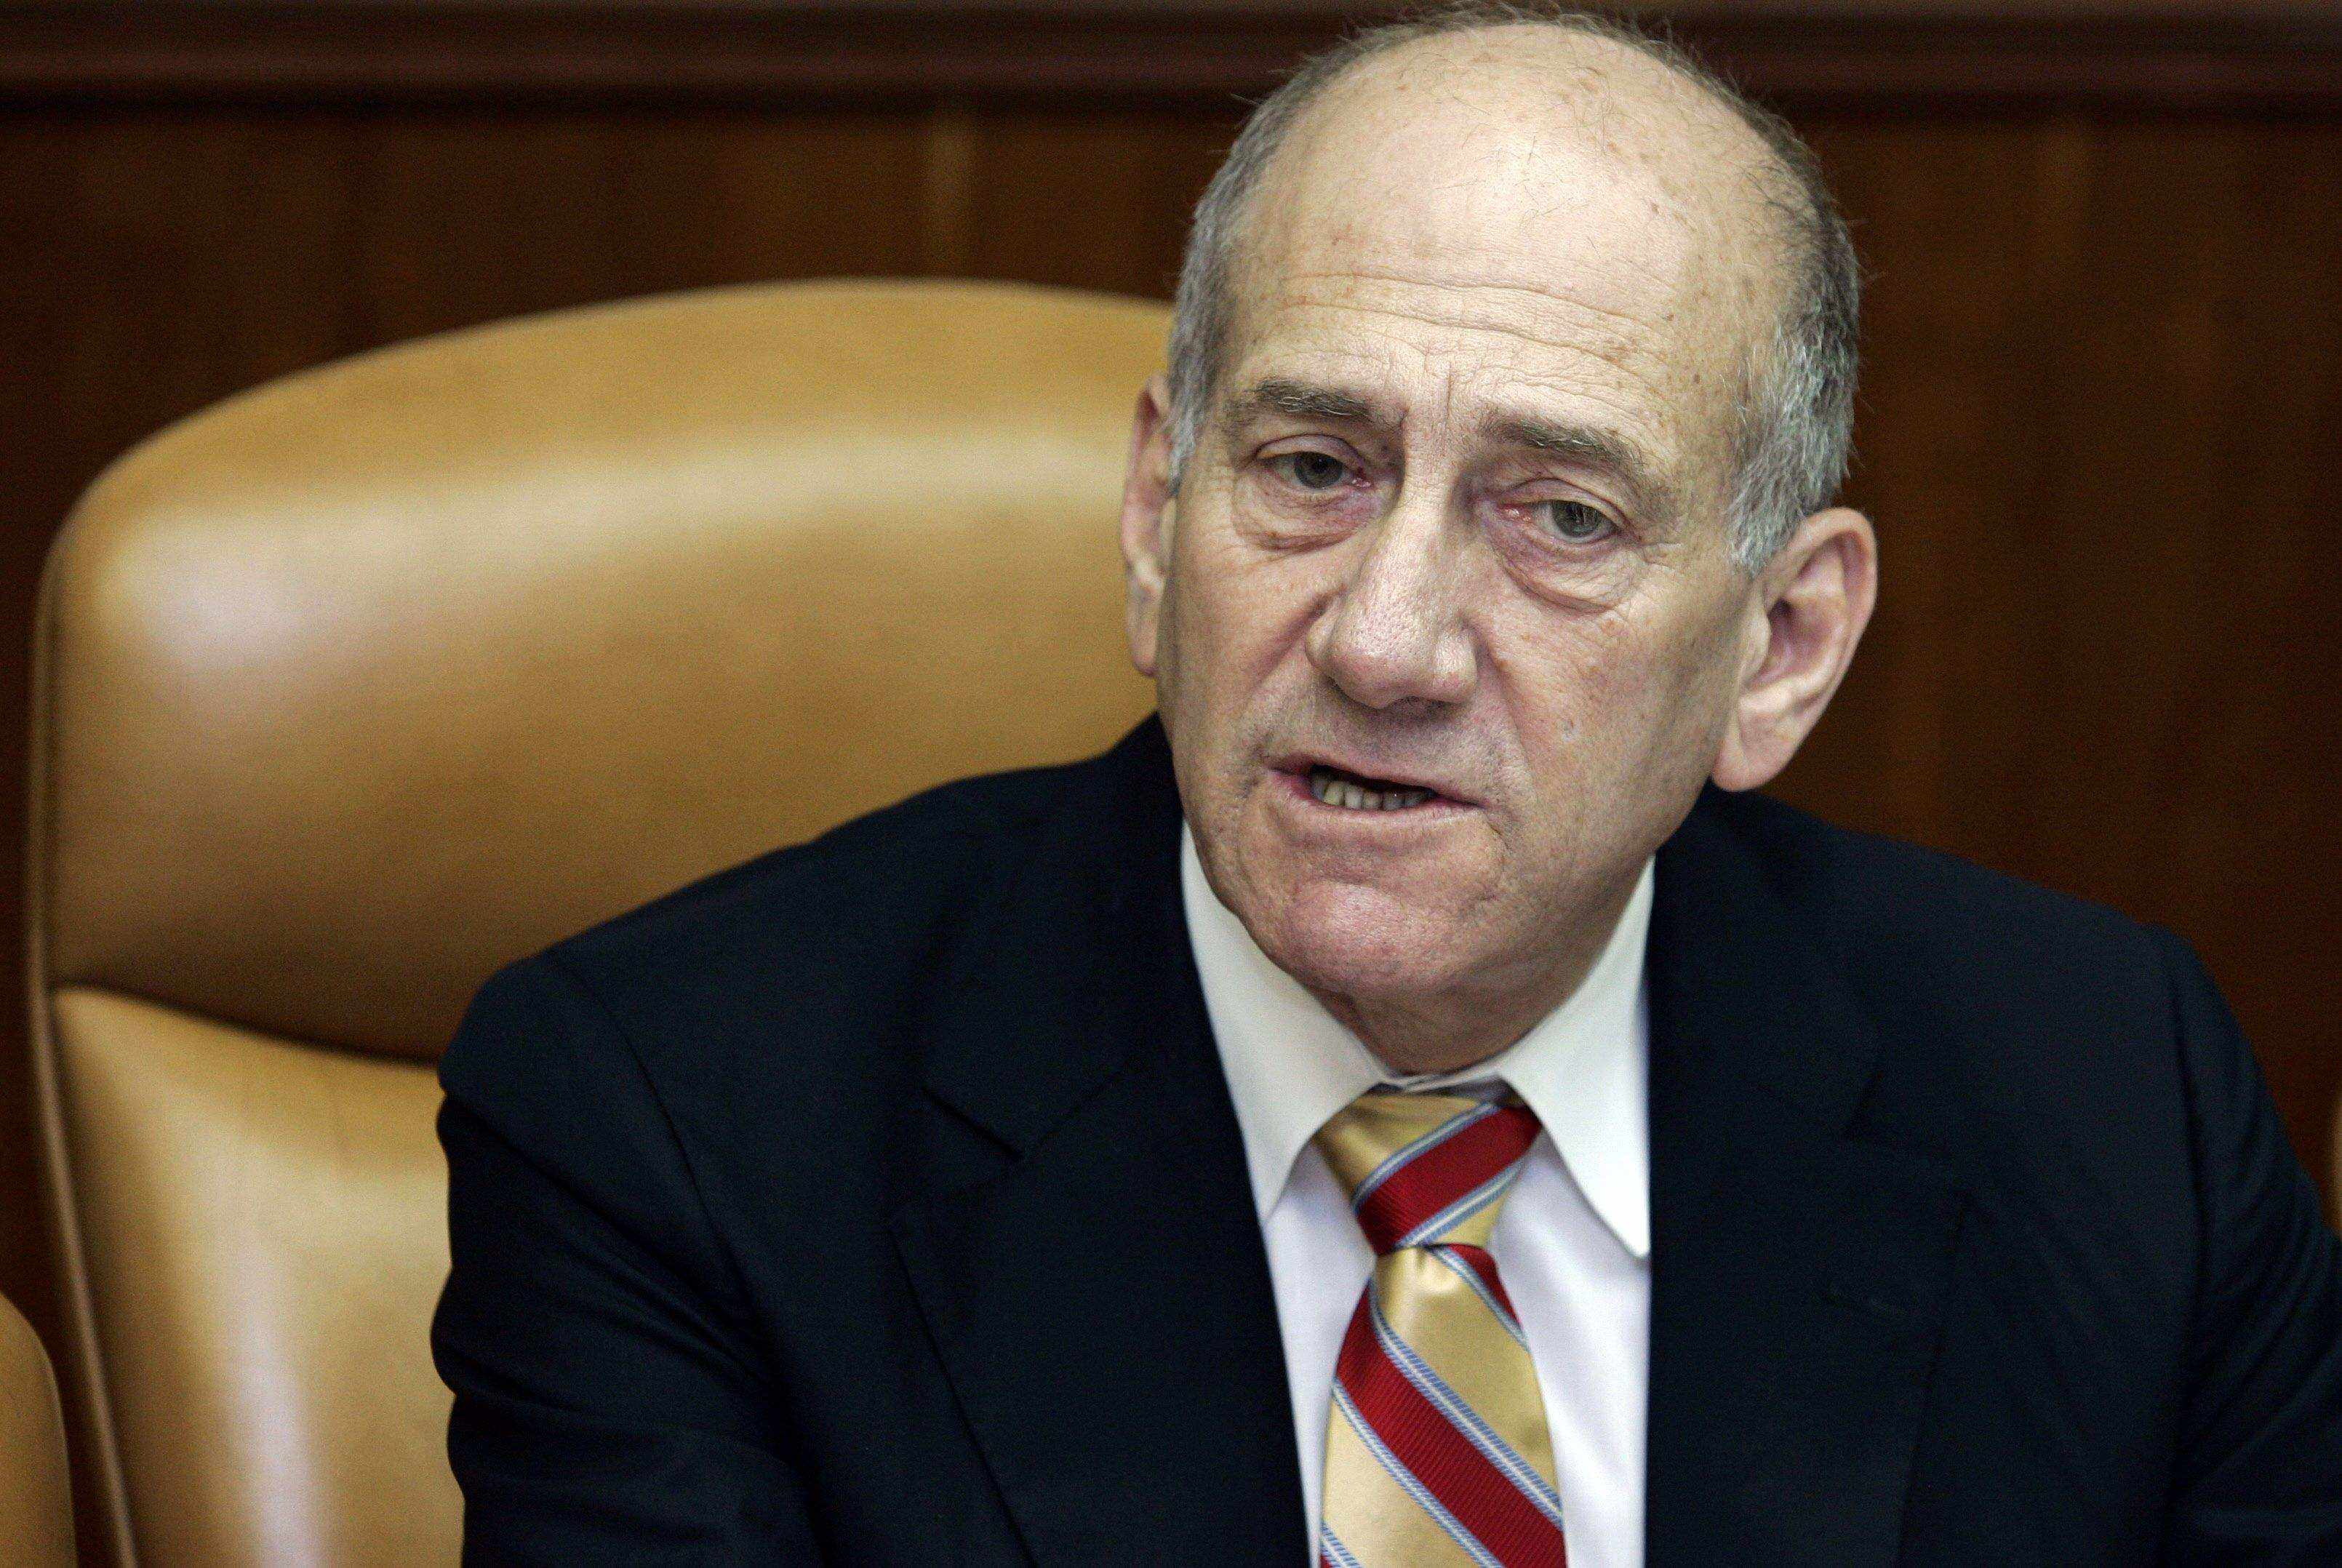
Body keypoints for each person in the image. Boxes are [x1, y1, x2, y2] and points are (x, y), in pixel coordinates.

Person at [428, 5, 2342, 1564]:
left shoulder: (2110, 1101)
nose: (1386, 642)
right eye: (1313, 468)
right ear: (1153, 518)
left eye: (1562, 515)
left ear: (1780, 646)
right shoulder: (674, 1123)